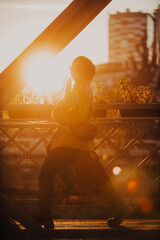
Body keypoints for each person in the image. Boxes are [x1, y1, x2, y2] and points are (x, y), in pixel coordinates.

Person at [35, 56, 130, 228]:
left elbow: (77, 115)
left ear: (80, 70)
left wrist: (59, 111)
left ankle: (45, 214)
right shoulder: (85, 87)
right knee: (93, 179)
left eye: (73, 67)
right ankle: (119, 205)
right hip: (79, 144)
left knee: (46, 174)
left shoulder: (78, 87)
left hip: (69, 143)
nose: (70, 70)